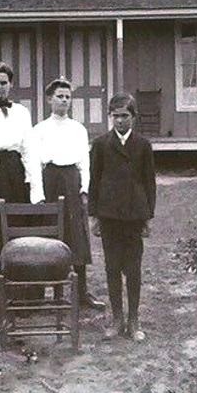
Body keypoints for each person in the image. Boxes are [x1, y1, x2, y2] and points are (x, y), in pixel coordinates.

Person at [0, 62, 44, 310]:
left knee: (17, 229)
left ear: (10, 85)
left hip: (13, 173)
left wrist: (36, 190)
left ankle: (23, 294)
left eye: (3, 82)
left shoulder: (22, 113)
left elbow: (30, 152)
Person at [88, 92, 156, 342]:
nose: (120, 121)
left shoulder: (142, 145)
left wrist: (147, 217)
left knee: (133, 268)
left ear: (133, 117)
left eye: (125, 116)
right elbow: (94, 180)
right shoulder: (101, 144)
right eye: (115, 116)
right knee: (112, 267)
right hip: (109, 215)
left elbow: (150, 182)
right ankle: (117, 319)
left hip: (134, 215)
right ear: (110, 117)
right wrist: (94, 216)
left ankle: (134, 319)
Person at [32, 77, 105, 310]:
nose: (64, 100)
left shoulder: (78, 129)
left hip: (72, 181)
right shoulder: (39, 129)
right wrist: (38, 194)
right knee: (51, 234)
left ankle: (81, 292)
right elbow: (34, 164)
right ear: (49, 100)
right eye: (59, 96)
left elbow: (85, 161)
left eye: (67, 97)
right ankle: (51, 292)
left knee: (76, 234)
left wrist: (85, 190)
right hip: (50, 179)